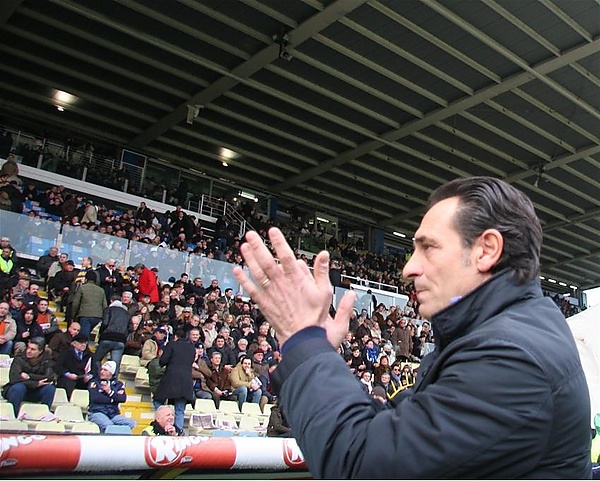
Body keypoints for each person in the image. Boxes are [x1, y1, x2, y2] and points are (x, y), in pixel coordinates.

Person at [232, 177, 591, 478]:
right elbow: (389, 430)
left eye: (428, 248)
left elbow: (361, 463)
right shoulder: (504, 336)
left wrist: (304, 341)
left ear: (486, 250)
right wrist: (318, 352)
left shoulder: (510, 357)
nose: (408, 269)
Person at [153, 329, 195, 432]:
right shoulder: (191, 348)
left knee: (157, 401)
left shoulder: (172, 344)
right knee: (180, 409)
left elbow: (163, 361)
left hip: (171, 378)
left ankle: (163, 423)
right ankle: (178, 432)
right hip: (186, 381)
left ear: (175, 337)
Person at [3, 337, 56, 416]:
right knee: (19, 387)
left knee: (50, 388)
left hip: (34, 391)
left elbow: (49, 377)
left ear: (40, 351)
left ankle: (43, 415)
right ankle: (12, 414)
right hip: (16, 390)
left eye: (33, 349)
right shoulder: (19, 358)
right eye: (28, 348)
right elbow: (14, 378)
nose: (28, 351)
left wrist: (29, 376)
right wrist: (36, 383)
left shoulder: (47, 360)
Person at [87, 361, 136, 433]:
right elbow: (95, 398)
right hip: (97, 412)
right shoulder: (94, 382)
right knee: (108, 425)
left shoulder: (118, 384)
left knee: (131, 423)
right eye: (101, 369)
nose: (102, 372)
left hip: (113, 414)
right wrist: (113, 398)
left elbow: (122, 399)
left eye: (105, 370)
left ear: (111, 372)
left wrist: (109, 392)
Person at [54, 334, 93, 399]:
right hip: (68, 377)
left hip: (83, 378)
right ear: (74, 344)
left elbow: (94, 370)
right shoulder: (66, 352)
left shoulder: (89, 355)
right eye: (81, 343)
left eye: (85, 343)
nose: (83, 345)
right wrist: (68, 374)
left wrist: (89, 376)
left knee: (93, 383)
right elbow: (58, 367)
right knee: (68, 382)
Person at [71, 270, 107, 339]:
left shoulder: (82, 288)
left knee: (83, 337)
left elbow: (75, 303)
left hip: (85, 315)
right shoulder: (101, 290)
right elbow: (105, 306)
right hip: (98, 316)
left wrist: (73, 316)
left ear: (86, 278)